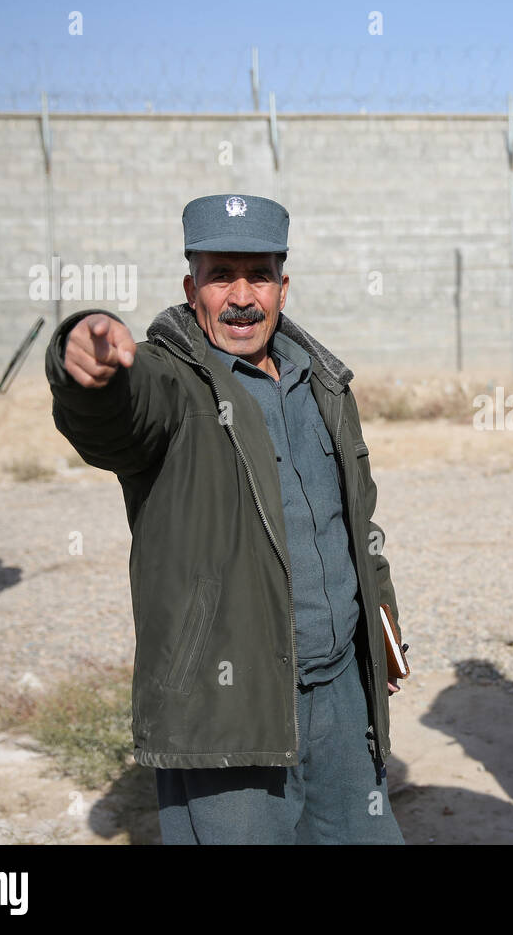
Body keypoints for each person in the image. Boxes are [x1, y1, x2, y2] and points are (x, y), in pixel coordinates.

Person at [46, 194, 405, 844]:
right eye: (220, 276)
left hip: (340, 697)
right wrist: (87, 375)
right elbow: (121, 419)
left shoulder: (321, 382)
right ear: (192, 287)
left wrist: (381, 622)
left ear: (283, 286)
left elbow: (357, 523)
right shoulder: (173, 382)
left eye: (258, 275)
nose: (241, 296)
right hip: (227, 708)